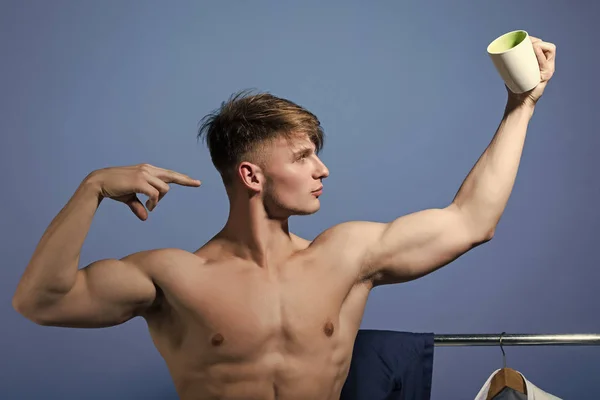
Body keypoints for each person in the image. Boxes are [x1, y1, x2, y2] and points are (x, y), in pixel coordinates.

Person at [12, 36, 556, 400]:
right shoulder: (173, 276)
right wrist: (92, 189)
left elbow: (471, 220)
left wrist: (521, 104)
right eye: (302, 157)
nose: (322, 170)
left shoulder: (346, 255)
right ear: (252, 176)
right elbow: (41, 301)